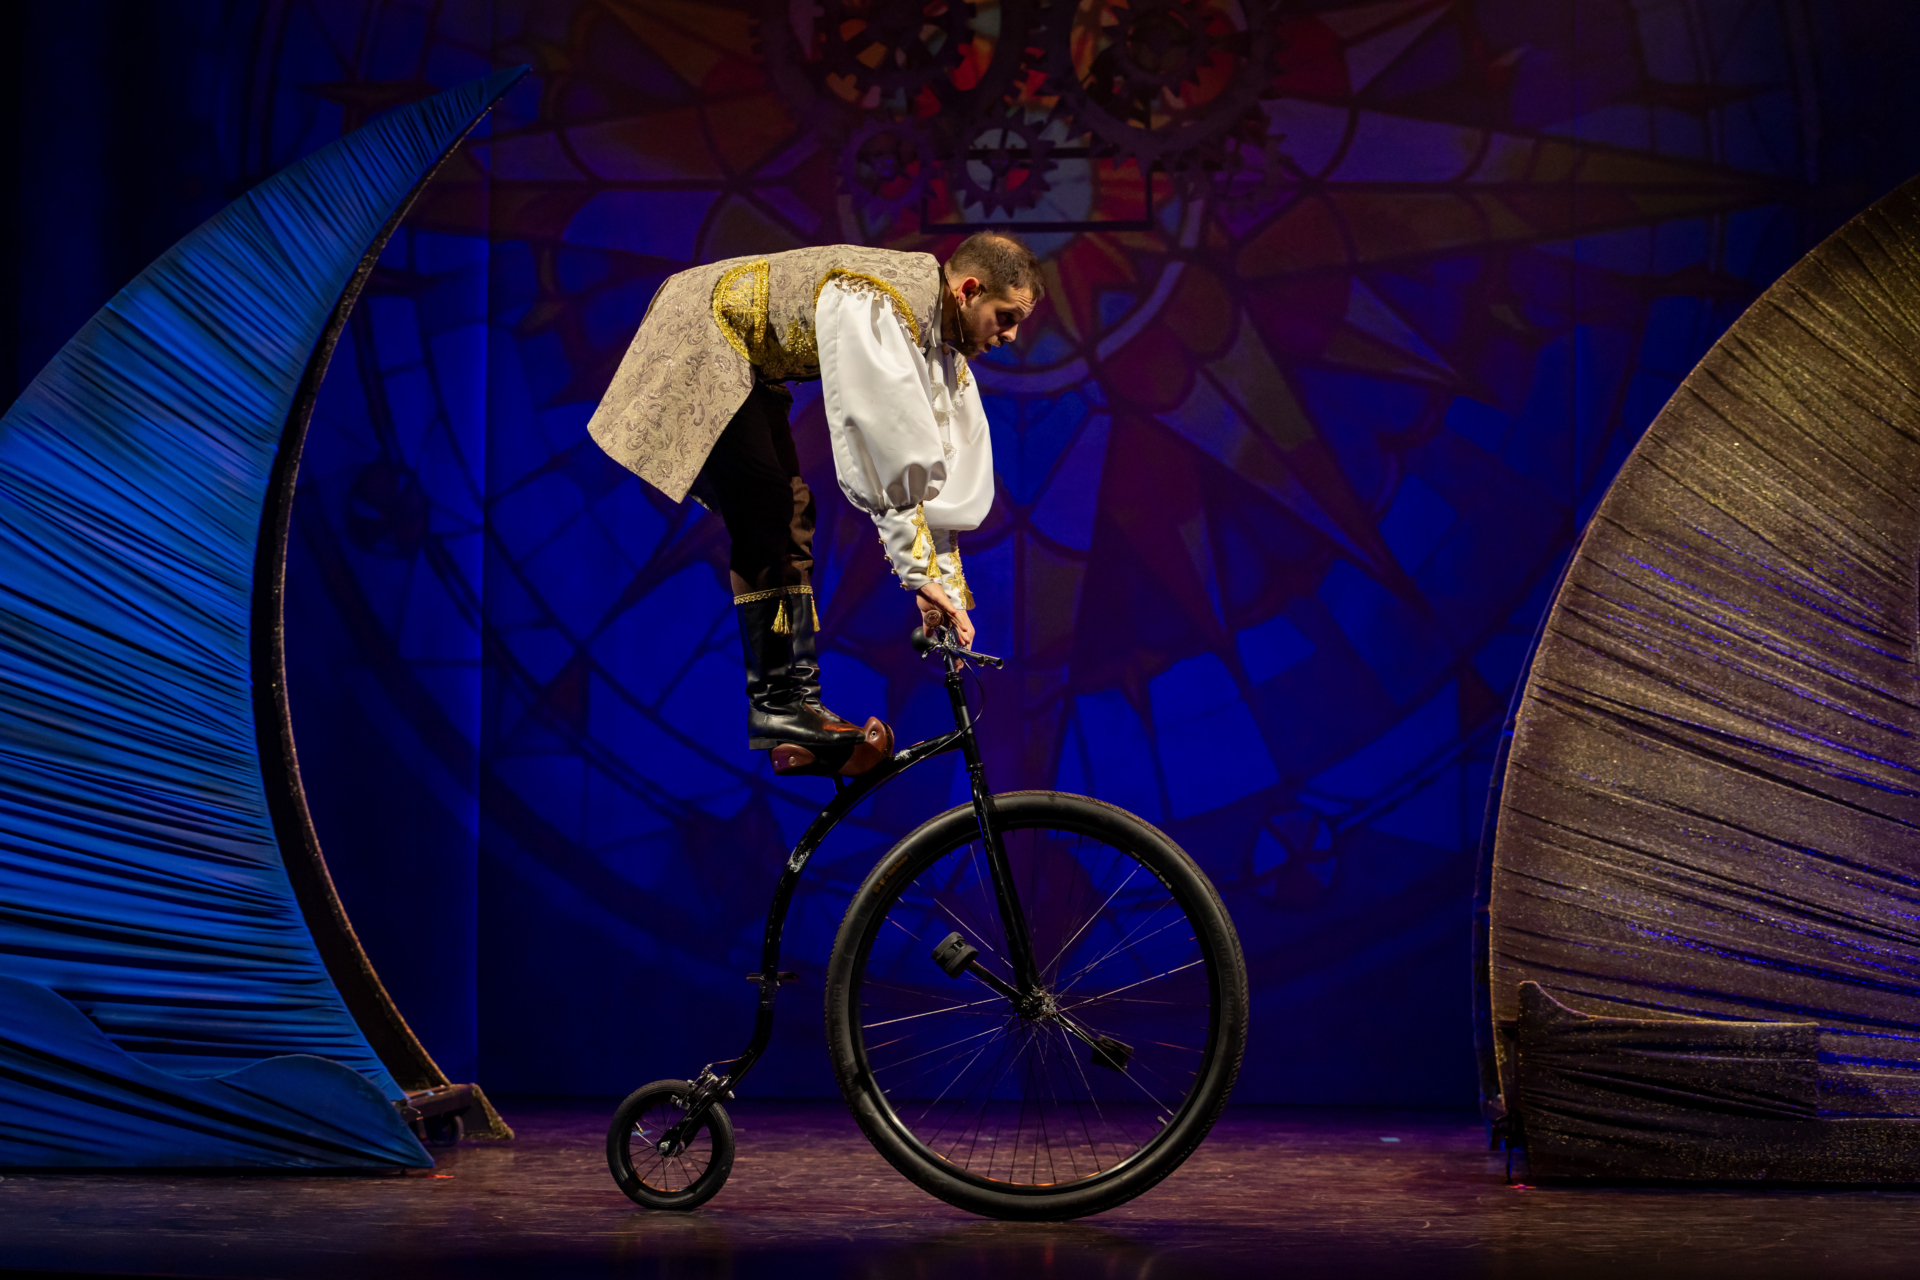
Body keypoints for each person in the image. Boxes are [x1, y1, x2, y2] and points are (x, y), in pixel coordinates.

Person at [586, 232, 1041, 777]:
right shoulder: (885, 300)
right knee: (770, 509)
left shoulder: (937, 341)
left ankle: (795, 703)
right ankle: (779, 705)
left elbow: (934, 465)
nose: (1010, 335)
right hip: (707, 335)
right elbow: (884, 442)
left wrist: (942, 584)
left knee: (791, 511)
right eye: (1005, 317)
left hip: (747, 363)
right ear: (968, 290)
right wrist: (918, 574)